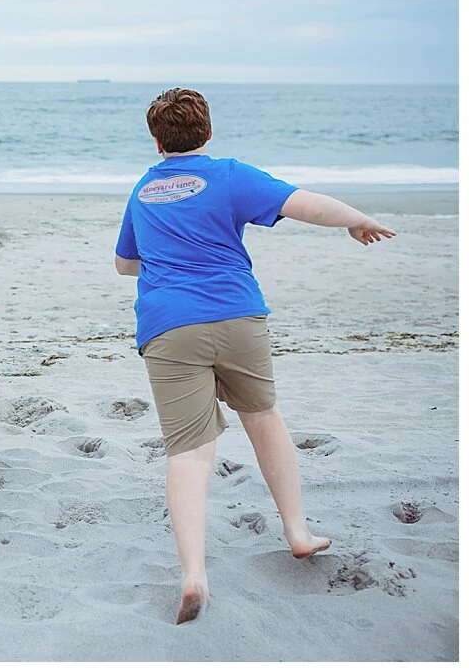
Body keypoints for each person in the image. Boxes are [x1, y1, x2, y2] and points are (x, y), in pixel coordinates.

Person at [113, 87, 396, 625]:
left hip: (169, 325)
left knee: (190, 451)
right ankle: (297, 531)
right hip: (237, 316)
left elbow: (125, 265)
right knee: (263, 418)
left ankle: (194, 572)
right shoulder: (230, 175)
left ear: (155, 141)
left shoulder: (143, 190)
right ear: (209, 133)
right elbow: (304, 202)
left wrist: (165, 258)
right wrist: (356, 219)